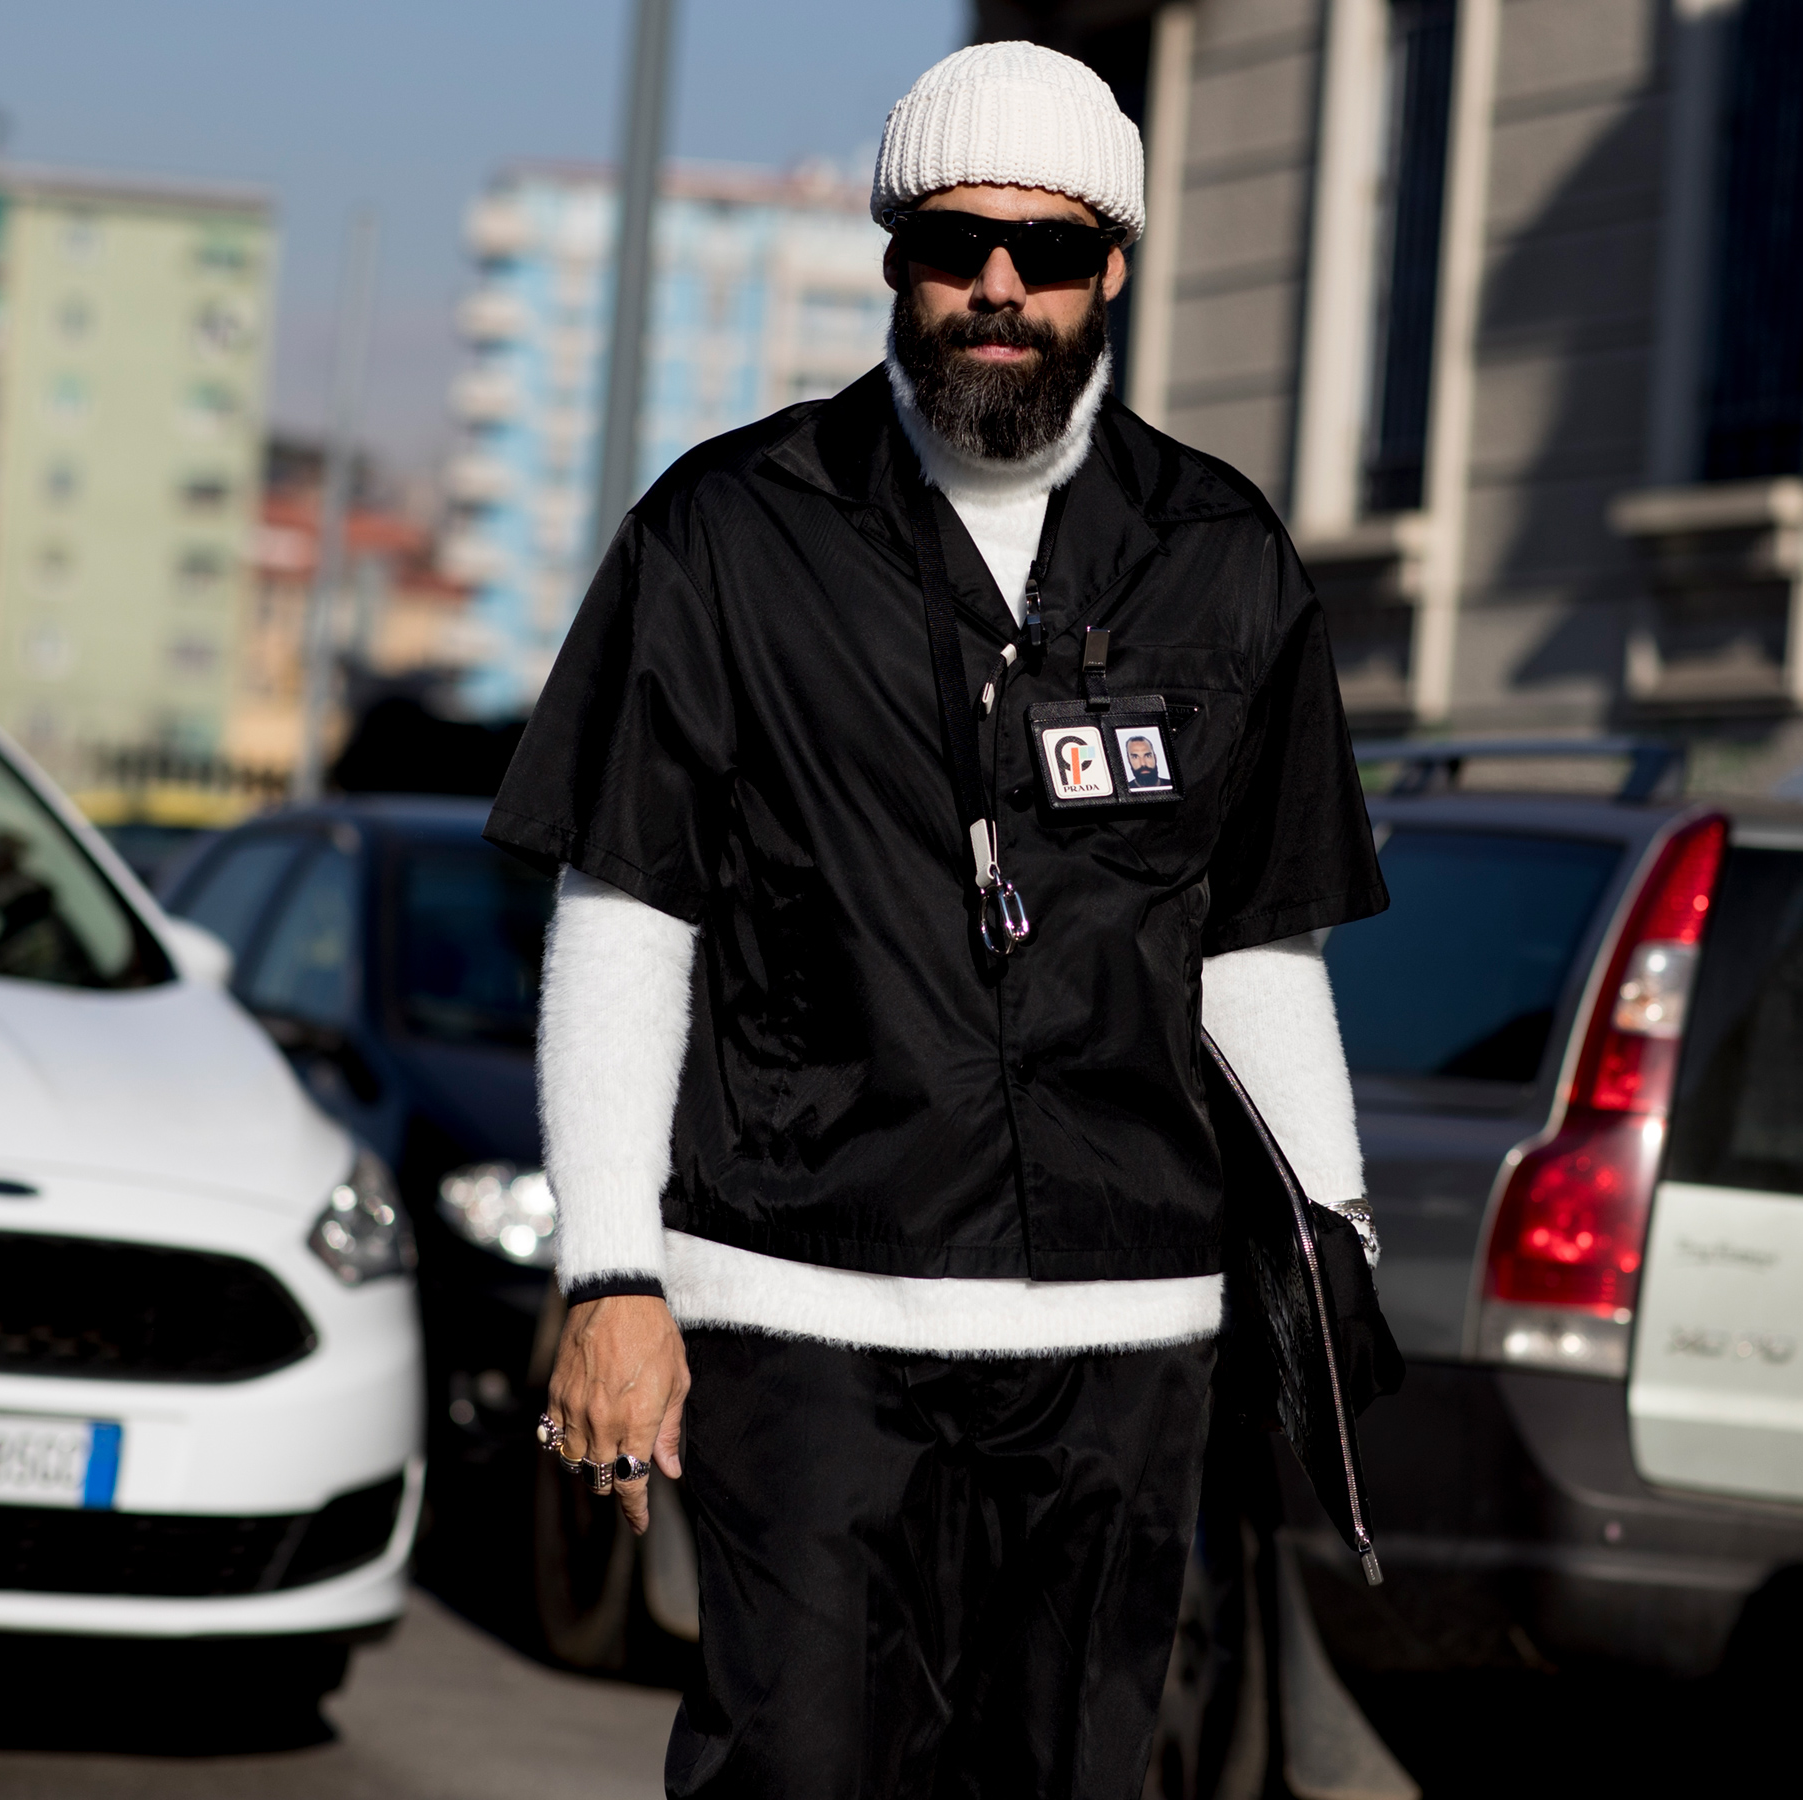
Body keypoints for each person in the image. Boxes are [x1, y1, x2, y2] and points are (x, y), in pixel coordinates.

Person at [489, 39, 1387, 1798]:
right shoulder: (729, 535)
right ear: (896, 257)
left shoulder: (1222, 556)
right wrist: (611, 1274)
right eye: (956, 243)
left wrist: (1333, 1238)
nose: (999, 287)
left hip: (1124, 1347)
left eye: (1046, 252)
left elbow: (1260, 950)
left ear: (1110, 271)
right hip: (807, 1320)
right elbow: (625, 917)